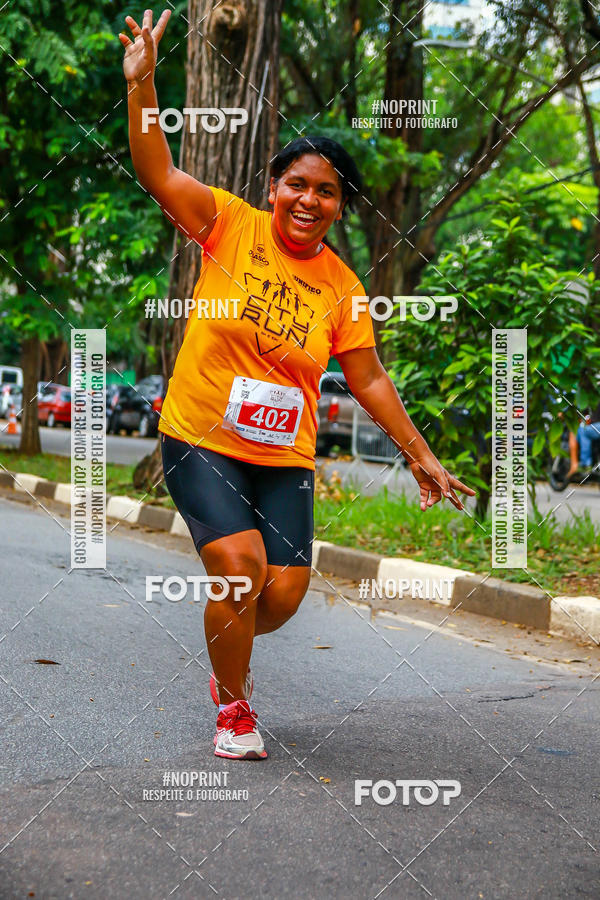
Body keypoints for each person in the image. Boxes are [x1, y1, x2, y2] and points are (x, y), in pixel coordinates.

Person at [120, 9, 476, 760]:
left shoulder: (344, 287)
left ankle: (225, 664)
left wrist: (419, 453)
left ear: (341, 205)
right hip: (202, 435)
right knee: (239, 565)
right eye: (296, 184)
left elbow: (369, 377)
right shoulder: (228, 225)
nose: (309, 200)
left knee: (279, 594)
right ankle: (236, 709)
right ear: (273, 186)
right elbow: (157, 169)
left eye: (327, 190)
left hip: (284, 453)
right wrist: (145, 83)